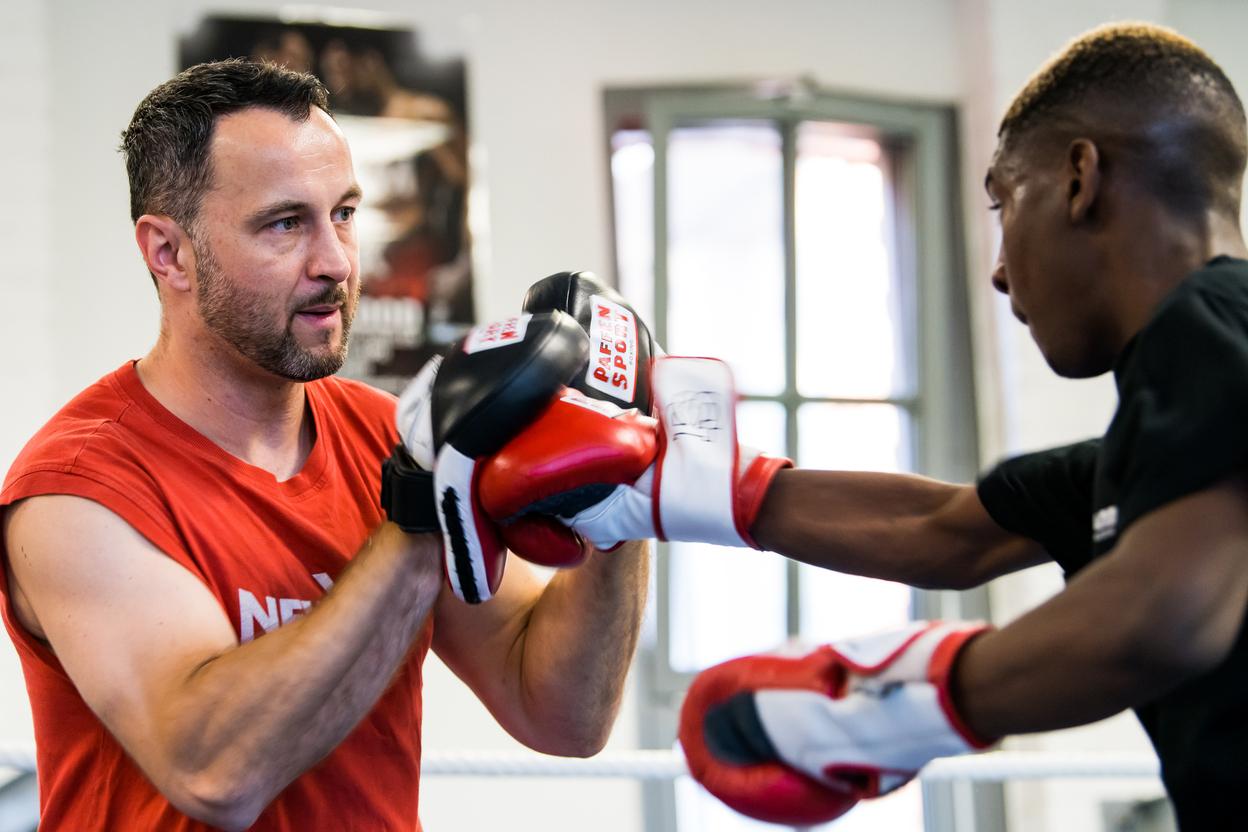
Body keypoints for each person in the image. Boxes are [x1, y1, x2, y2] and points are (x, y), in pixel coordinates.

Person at [464, 22, 1248, 829]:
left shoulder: (1210, 322)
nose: (1001, 266)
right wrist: (662, 485)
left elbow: (1169, 611)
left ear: (1081, 178)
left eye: (1003, 200)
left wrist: (879, 705)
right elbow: (948, 531)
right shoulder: (1180, 424)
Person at [0, 59, 648, 831]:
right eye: (285, 223)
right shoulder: (78, 489)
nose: (337, 262)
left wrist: (622, 497)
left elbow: (559, 714)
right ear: (167, 253)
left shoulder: (383, 435)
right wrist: (418, 509)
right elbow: (213, 772)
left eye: (342, 213)